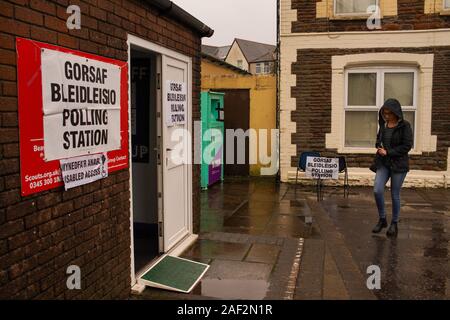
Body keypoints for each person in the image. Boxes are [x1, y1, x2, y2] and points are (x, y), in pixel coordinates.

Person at [371, 98, 413, 237]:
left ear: (396, 112)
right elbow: (378, 140)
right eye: (385, 113)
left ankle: (394, 223)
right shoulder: (383, 126)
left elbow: (407, 146)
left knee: (395, 194)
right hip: (383, 163)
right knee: (377, 190)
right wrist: (379, 146)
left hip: (398, 164)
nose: (387, 116)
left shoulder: (405, 126)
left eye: (389, 113)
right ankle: (382, 219)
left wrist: (389, 152)